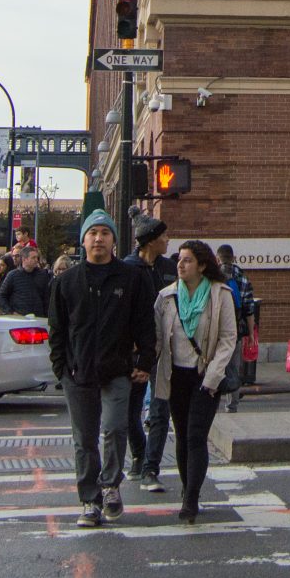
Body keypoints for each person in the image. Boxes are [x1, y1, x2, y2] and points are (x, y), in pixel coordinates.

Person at [50, 211, 156, 529]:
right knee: (84, 440)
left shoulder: (131, 278)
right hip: (77, 372)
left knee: (114, 429)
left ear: (113, 240)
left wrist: (145, 362)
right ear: (83, 240)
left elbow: (144, 325)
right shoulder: (65, 282)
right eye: (93, 233)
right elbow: (57, 330)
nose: (99, 238)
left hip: (118, 370)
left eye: (104, 233)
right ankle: (89, 500)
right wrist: (60, 368)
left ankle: (110, 486)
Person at [150, 240, 237, 523]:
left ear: (202, 265)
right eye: (179, 260)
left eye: (187, 260)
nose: (180, 265)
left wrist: (213, 375)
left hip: (205, 375)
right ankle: (188, 488)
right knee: (182, 434)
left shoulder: (219, 294)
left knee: (196, 435)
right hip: (175, 375)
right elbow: (158, 339)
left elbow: (228, 338)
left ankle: (191, 498)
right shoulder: (166, 297)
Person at [123, 217, 176, 490]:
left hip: (164, 348)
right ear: (151, 240)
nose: (168, 241)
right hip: (135, 349)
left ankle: (150, 468)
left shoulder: (170, 268)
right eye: (164, 236)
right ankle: (138, 454)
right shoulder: (128, 268)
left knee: (159, 409)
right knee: (129, 410)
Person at [216, 245, 253, 411]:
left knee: (214, 365)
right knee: (233, 367)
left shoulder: (212, 276)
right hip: (234, 331)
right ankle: (232, 404)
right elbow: (249, 308)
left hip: (214, 331)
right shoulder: (242, 278)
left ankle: (211, 401)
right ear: (233, 258)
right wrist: (251, 333)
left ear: (218, 258)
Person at [0, 248, 54, 318]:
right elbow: (2, 295)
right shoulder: (13, 275)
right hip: (19, 317)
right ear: (24, 259)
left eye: (37, 257)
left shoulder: (42, 275)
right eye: (33, 258)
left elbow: (47, 297)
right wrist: (10, 311)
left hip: (38, 317)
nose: (36, 260)